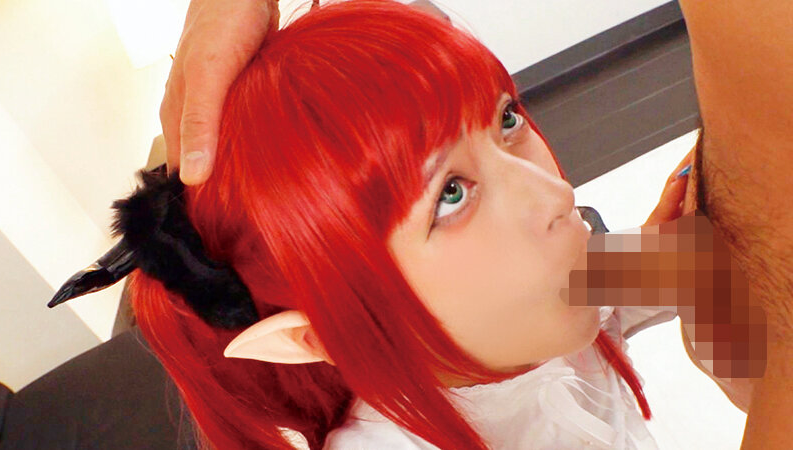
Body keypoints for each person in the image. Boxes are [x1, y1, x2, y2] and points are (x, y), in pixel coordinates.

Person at [160, 0, 793, 447]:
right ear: (313, 337)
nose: (556, 193)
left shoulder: (558, 286)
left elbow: (672, 267)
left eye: (507, 120)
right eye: (451, 194)